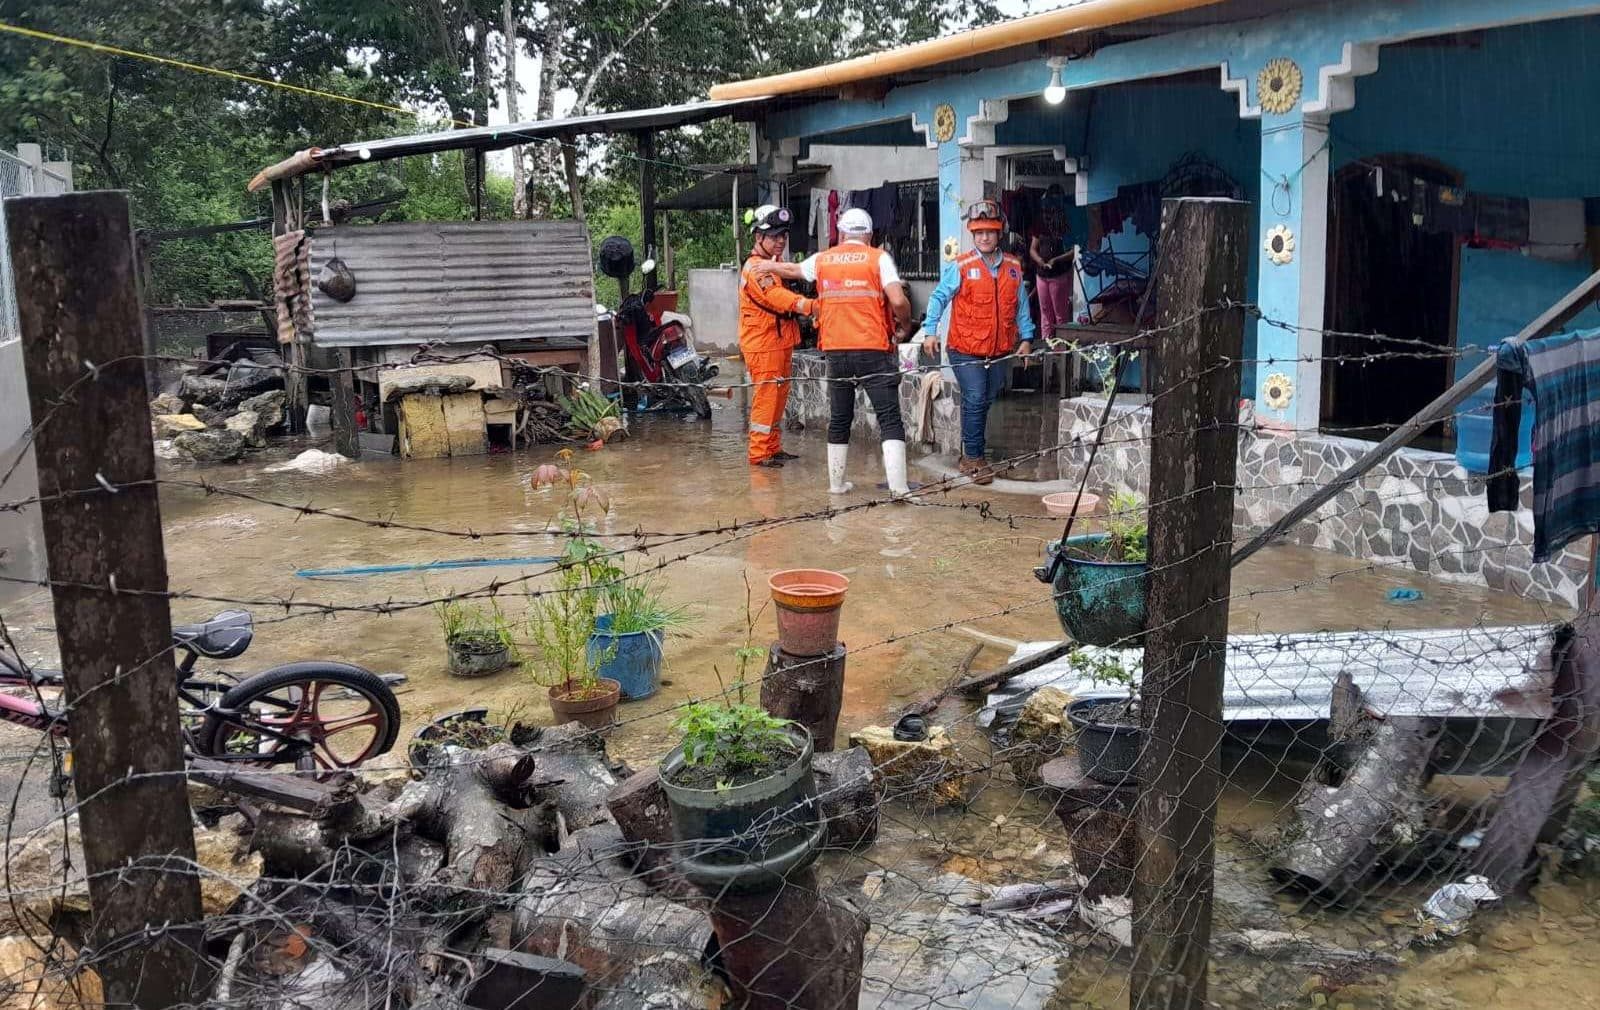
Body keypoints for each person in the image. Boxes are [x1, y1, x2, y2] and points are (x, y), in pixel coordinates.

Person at [753, 207, 914, 497]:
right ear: (869, 235)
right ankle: (899, 489)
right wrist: (904, 326)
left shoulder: (824, 259)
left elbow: (794, 269)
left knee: (840, 418)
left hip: (836, 352)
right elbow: (898, 300)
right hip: (873, 349)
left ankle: (837, 485)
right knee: (889, 417)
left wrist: (768, 267)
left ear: (840, 234)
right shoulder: (879, 258)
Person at [921, 199, 1036, 485]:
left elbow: (1021, 306)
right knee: (974, 397)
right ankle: (974, 458)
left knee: (985, 399)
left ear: (999, 234)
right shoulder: (961, 266)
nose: (984, 237)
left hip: (998, 350)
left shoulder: (1013, 266)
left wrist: (1027, 338)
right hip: (964, 348)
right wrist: (930, 331)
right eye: (979, 232)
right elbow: (937, 298)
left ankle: (967, 450)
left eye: (990, 232)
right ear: (973, 235)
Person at [738, 205, 813, 468]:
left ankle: (772, 446)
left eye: (784, 235)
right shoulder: (757, 268)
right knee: (767, 398)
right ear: (759, 237)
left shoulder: (776, 265)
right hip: (763, 343)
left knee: (779, 398)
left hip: (779, 341)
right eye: (774, 236)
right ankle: (759, 453)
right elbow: (775, 297)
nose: (781, 240)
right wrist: (808, 306)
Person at [1030, 183, 1075, 339]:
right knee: (1045, 314)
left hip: (1059, 275)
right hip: (1042, 275)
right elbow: (1032, 249)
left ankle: (1060, 350)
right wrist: (1040, 261)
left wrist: (1056, 259)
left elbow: (1073, 252)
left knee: (1060, 315)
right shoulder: (1040, 222)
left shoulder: (1067, 223)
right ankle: (1047, 348)